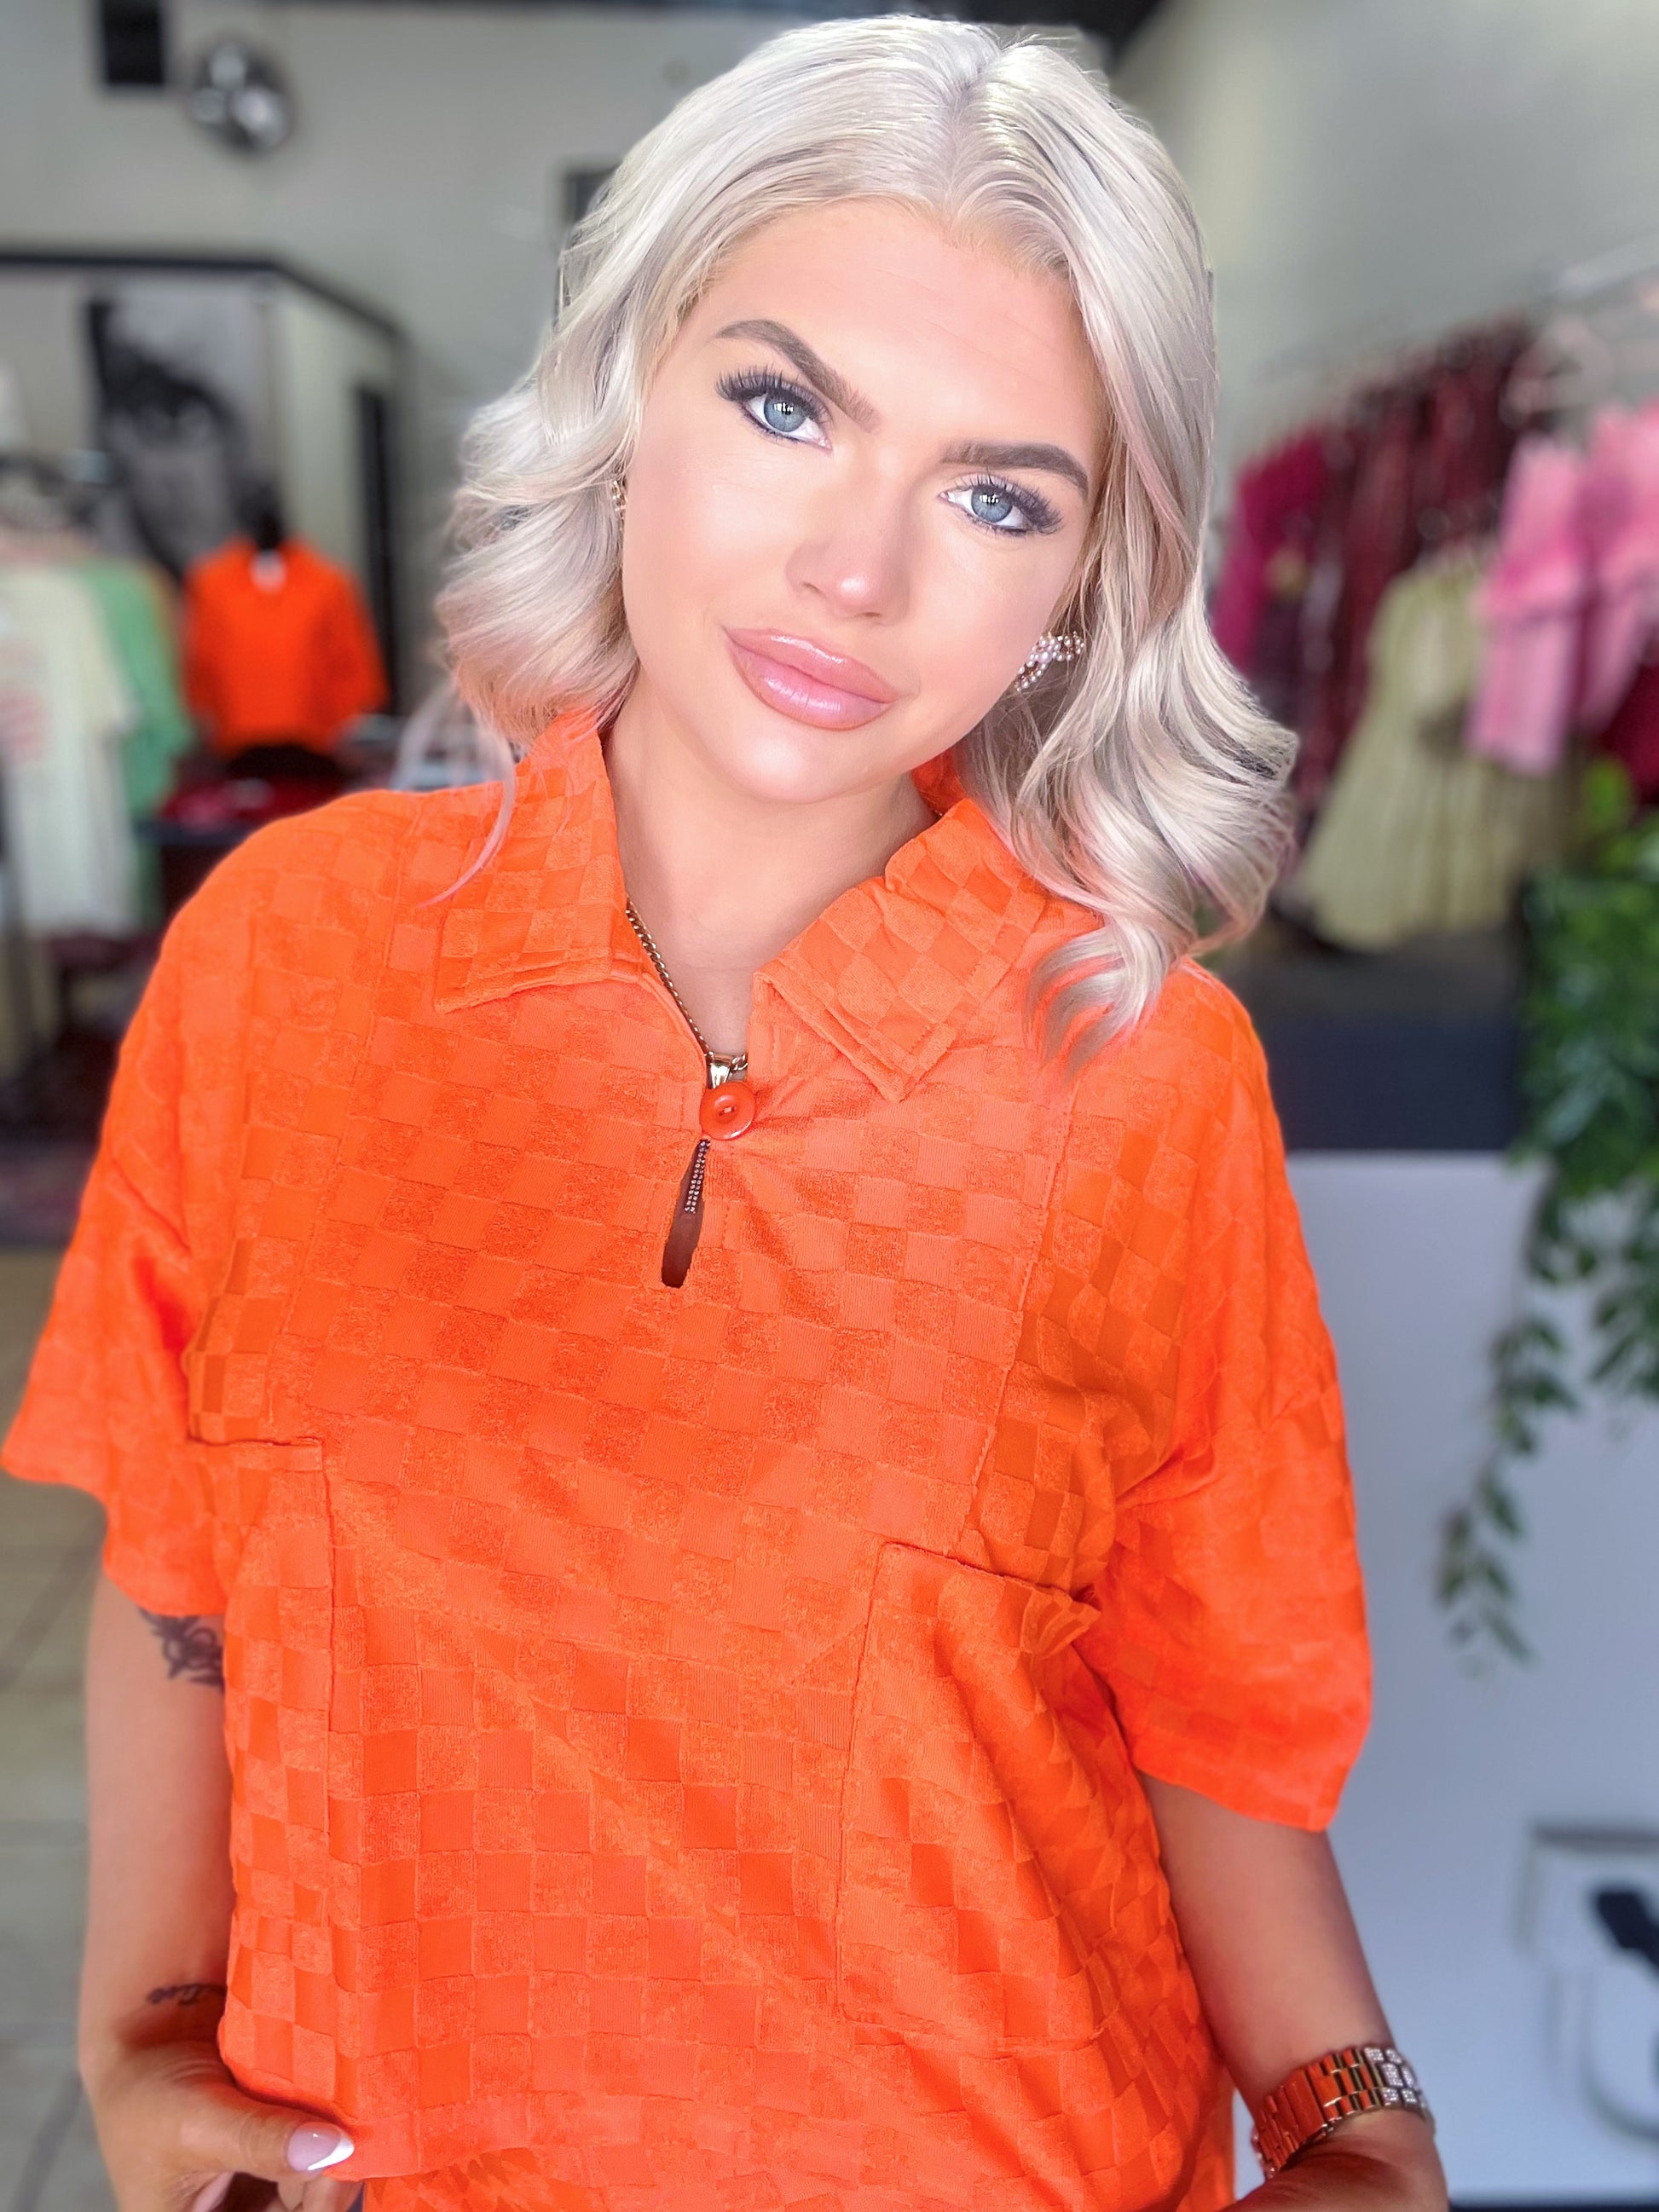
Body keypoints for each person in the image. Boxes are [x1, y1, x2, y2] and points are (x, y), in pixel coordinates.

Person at [4, 20, 1447, 2212]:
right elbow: (172, 1555)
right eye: (785, 406)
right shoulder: (285, 953)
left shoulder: (1145, 1068)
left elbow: (1213, 1709)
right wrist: (135, 2026)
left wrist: (1358, 2117)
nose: (856, 570)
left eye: (997, 494)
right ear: (625, 397)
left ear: (1079, 588)